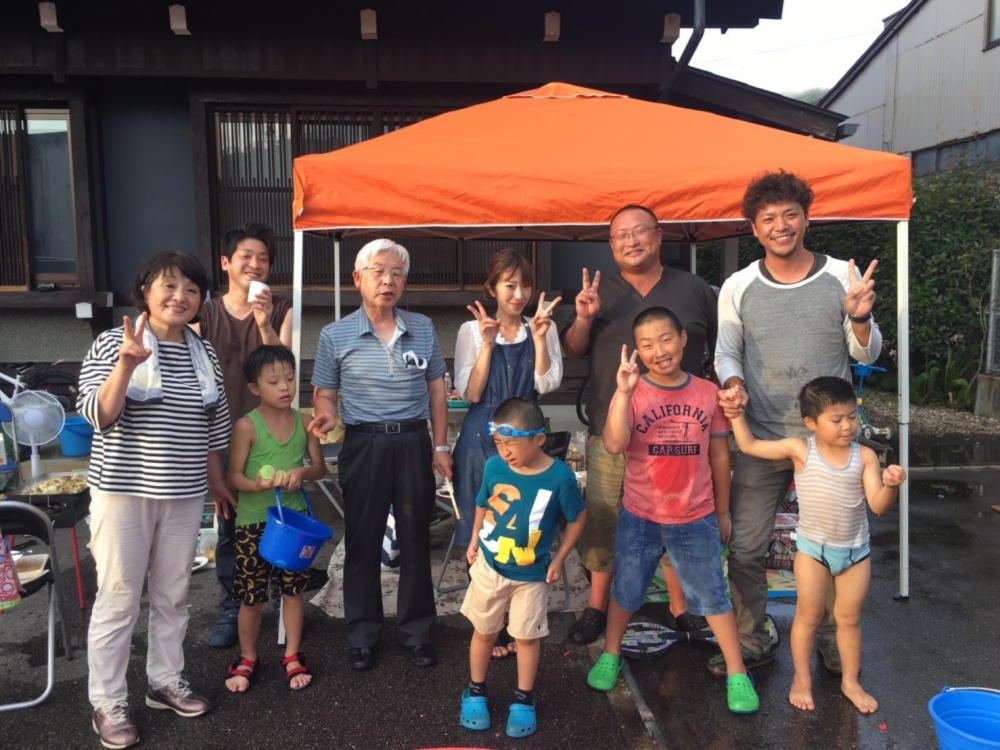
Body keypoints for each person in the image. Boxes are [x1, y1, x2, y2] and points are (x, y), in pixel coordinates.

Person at [713, 171, 882, 675]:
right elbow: (727, 351)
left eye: (790, 214)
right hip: (764, 435)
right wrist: (733, 382)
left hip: (831, 440)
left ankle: (832, 636)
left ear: (807, 218)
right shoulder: (738, 285)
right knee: (745, 545)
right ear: (754, 227)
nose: (781, 226)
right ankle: (752, 636)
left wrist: (859, 317)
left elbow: (866, 353)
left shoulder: (839, 277)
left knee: (838, 543)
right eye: (769, 219)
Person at [78, 251, 230, 749]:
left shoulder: (203, 353)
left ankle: (165, 681)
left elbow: (212, 428)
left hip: (185, 495)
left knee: (174, 595)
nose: (179, 297)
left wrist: (217, 483)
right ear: (144, 291)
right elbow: (97, 418)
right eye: (168, 286)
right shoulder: (113, 342)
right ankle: (108, 701)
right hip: (123, 492)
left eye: (191, 289)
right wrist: (125, 365)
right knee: (119, 599)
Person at [584, 308, 759, 714]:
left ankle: (737, 672)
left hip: (695, 517)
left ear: (682, 338)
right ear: (638, 352)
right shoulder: (631, 391)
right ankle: (611, 653)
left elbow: (719, 454)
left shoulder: (705, 392)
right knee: (626, 591)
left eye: (666, 339)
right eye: (646, 345)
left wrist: (721, 512)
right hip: (640, 514)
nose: (658, 351)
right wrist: (624, 392)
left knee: (714, 597)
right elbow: (613, 445)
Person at [561, 204, 718, 644]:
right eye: (621, 236)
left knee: (679, 517)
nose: (631, 241)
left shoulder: (693, 288)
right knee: (606, 515)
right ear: (612, 246)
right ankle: (597, 607)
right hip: (614, 428)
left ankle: (680, 606)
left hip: (682, 429)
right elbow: (573, 350)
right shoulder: (600, 291)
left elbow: (722, 350)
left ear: (659, 235)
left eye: (640, 232)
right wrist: (585, 318)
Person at [720, 376, 905, 713]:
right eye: (836, 420)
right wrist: (735, 413)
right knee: (808, 617)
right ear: (811, 423)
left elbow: (878, 505)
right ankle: (801, 678)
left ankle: (851, 681)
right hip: (813, 553)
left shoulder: (864, 457)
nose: (847, 426)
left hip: (855, 553)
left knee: (848, 620)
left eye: (851, 416)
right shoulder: (800, 449)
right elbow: (749, 446)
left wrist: (890, 485)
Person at [309, 238, 452, 671]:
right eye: (378, 271)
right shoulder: (334, 335)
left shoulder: (423, 328)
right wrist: (327, 416)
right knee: (363, 541)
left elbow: (436, 393)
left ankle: (417, 633)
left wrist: (441, 445)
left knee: (413, 539)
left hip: (412, 443)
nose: (388, 280)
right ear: (358, 278)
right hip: (363, 444)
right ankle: (362, 633)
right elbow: (325, 394)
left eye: (397, 273)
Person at [452, 249, 562, 658]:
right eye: (510, 285)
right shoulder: (470, 330)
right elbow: (472, 393)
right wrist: (485, 343)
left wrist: (539, 339)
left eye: (525, 285)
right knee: (481, 532)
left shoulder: (543, 326)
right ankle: (489, 625)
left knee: (523, 530)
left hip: (530, 438)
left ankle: (520, 620)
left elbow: (547, 385)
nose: (519, 294)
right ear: (492, 288)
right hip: (482, 440)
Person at [459, 397, 586, 738]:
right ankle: (475, 689)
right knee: (484, 631)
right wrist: (473, 540)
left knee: (526, 637)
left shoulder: (560, 478)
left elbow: (577, 519)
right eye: (499, 443)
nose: (505, 451)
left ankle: (523, 698)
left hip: (532, 574)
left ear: (539, 439)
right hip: (490, 564)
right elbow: (481, 505)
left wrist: (560, 558)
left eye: (512, 443)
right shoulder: (494, 467)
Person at [193, 222, 293, 649]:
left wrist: (263, 322)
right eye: (245, 257)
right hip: (225, 436)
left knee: (279, 516)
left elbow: (283, 363)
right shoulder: (204, 314)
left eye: (263, 259)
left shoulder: (283, 307)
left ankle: (276, 597)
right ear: (226, 263)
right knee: (232, 524)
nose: (254, 265)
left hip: (274, 432)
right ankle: (233, 604)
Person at [223, 345, 326, 693]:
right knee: (252, 597)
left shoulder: (305, 421)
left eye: (290, 378)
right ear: (254, 388)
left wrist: (301, 472)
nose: (285, 387)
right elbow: (233, 477)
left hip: (293, 523)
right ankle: (248, 656)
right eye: (273, 381)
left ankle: (293, 654)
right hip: (254, 522)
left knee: (293, 591)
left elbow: (319, 467)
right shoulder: (246, 427)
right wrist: (257, 484)